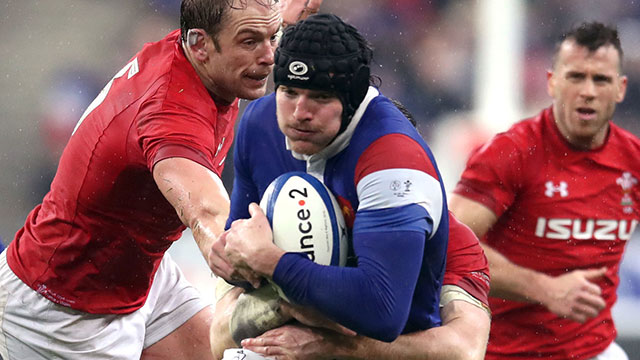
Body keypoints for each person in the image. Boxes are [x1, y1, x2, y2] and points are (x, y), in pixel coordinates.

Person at [0, 0, 322, 358]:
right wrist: (302, 277)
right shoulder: (171, 115)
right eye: (250, 42)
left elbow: (251, 19)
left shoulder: (197, 48)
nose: (270, 56)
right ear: (199, 44)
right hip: (63, 310)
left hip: (137, 268)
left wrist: (283, 20)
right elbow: (208, 215)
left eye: (272, 37)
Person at [207, 12, 456, 357]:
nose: (299, 113)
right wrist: (230, 257)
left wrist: (271, 262)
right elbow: (239, 246)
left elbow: (382, 310)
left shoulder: (393, 161)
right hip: (288, 339)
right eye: (289, 92)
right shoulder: (260, 125)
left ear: (352, 101)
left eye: (320, 97)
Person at [449, 21, 638, 360]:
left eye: (601, 79)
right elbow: (448, 246)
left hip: (594, 350)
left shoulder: (633, 161)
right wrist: (544, 289)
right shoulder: (511, 152)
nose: (589, 91)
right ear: (552, 82)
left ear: (621, 88)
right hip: (504, 352)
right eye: (576, 77)